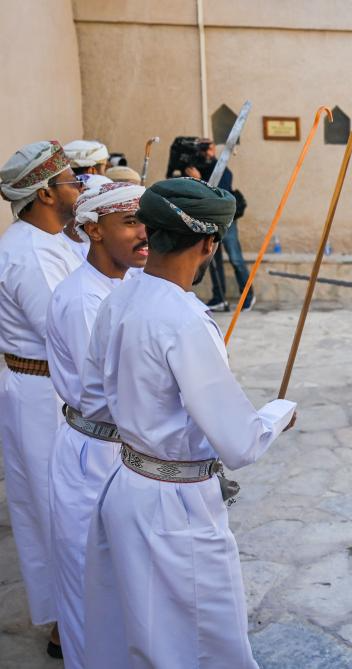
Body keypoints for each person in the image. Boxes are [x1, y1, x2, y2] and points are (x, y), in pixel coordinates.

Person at [81, 177, 297, 668]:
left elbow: (94, 401)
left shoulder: (119, 296)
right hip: (175, 508)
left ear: (150, 233)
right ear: (209, 244)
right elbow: (240, 443)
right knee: (203, 644)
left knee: (142, 633)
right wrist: (278, 413)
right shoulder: (185, 320)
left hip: (127, 486)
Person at [45, 181, 147, 669]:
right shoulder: (83, 299)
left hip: (125, 452)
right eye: (130, 222)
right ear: (93, 230)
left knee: (128, 590)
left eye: (146, 221)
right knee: (92, 586)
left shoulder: (131, 283)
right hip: (95, 456)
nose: (144, 233)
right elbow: (109, 392)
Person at [0, 140, 83, 658]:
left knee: (63, 506)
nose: (80, 186)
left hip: (54, 389)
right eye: (73, 180)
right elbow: (66, 332)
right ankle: (66, 626)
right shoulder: (29, 253)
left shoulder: (53, 241)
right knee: (55, 509)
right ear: (47, 193)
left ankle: (74, 616)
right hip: (42, 395)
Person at [185, 141, 254, 312]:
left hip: (226, 220)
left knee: (235, 258)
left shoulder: (222, 169)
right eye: (201, 149)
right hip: (209, 221)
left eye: (207, 148)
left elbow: (219, 195)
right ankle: (219, 297)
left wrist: (199, 179)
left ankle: (247, 295)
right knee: (212, 260)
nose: (204, 152)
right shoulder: (197, 167)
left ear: (213, 150)